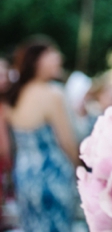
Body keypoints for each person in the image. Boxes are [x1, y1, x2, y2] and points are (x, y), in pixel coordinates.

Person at [5, 38, 79, 232]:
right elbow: (68, 143)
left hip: (24, 174)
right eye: (53, 56)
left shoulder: (15, 95)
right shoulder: (53, 94)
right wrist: (80, 171)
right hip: (53, 175)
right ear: (37, 61)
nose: (59, 60)